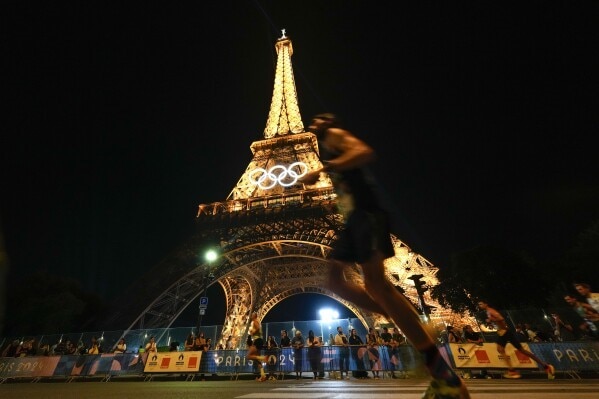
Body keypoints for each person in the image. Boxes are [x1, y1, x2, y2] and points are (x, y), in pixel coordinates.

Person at [300, 113, 470, 398]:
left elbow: (365, 152)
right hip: (354, 220)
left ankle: (442, 374)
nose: (313, 125)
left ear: (327, 123)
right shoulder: (330, 146)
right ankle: (408, 320)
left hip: (366, 216)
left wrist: (323, 169)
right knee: (336, 282)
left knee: (376, 287)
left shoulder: (337, 136)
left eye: (319, 121)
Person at [477, 300, 555, 379]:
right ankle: (545, 366)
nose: (480, 306)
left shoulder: (491, 311)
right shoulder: (488, 311)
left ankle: (512, 370)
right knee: (515, 350)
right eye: (479, 304)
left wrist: (492, 320)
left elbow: (501, 318)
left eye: (481, 304)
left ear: (486, 304)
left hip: (505, 332)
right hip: (503, 332)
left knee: (503, 349)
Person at [247, 311, 267, 382]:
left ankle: (263, 357)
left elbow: (257, 328)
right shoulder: (257, 321)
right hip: (259, 340)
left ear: (254, 316)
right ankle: (263, 375)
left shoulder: (255, 321)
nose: (251, 316)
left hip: (257, 340)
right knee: (257, 360)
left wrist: (252, 332)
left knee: (249, 356)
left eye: (252, 315)